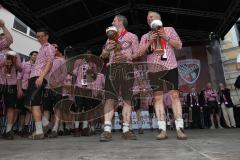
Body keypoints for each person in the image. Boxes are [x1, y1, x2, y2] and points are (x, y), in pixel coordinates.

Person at [138, 11, 187, 140]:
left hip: (170, 66)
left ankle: (179, 128)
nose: (149, 19)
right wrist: (149, 42)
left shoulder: (169, 30)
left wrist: (166, 37)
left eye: (151, 16)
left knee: (175, 96)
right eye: (147, 17)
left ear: (159, 19)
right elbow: (139, 52)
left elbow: (179, 45)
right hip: (154, 70)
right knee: (158, 98)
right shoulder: (145, 36)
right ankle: (162, 129)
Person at [100, 14, 139, 141]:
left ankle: (126, 130)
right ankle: (107, 130)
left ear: (120, 21)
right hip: (113, 68)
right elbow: (103, 55)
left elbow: (137, 53)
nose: (112, 22)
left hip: (127, 68)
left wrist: (126, 57)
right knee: (110, 98)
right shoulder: (110, 37)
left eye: (114, 20)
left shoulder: (132, 36)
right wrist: (107, 49)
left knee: (127, 100)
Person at [25, 29, 55, 139]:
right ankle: (46, 124)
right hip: (33, 77)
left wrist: (41, 77)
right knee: (29, 104)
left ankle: (39, 131)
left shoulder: (49, 47)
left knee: (34, 104)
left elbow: (49, 62)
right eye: (37, 37)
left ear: (47, 36)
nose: (39, 38)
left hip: (38, 77)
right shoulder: (41, 48)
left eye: (41, 36)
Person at [0, 19, 22, 140]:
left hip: (11, 83)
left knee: (10, 107)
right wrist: (4, 62)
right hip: (0, 81)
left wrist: (15, 63)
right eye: (3, 39)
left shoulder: (15, 53)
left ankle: (8, 131)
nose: (5, 40)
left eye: (6, 39)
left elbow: (20, 69)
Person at [16, 51, 38, 137]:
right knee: (21, 110)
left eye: (37, 56)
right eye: (34, 55)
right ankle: (20, 129)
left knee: (29, 110)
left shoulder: (37, 66)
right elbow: (19, 78)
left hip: (32, 90)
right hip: (23, 89)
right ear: (30, 56)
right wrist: (19, 89)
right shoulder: (24, 64)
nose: (36, 57)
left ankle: (25, 128)